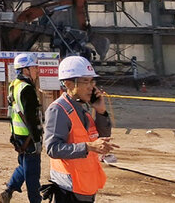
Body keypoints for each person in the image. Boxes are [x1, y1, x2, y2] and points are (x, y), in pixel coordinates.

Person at [41, 56, 118, 202]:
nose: (91, 87)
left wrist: (101, 112)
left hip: (85, 186)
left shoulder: (83, 110)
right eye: (85, 81)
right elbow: (52, 148)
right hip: (69, 190)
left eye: (92, 81)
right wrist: (88, 147)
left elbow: (101, 136)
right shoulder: (58, 110)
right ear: (69, 83)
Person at [0, 53, 43, 203]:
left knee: (24, 166)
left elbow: (12, 112)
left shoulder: (14, 84)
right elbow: (31, 117)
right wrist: (37, 139)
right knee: (32, 173)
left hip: (19, 135)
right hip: (29, 137)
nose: (37, 70)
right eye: (34, 67)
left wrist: (12, 134)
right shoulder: (27, 89)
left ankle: (8, 191)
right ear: (25, 70)